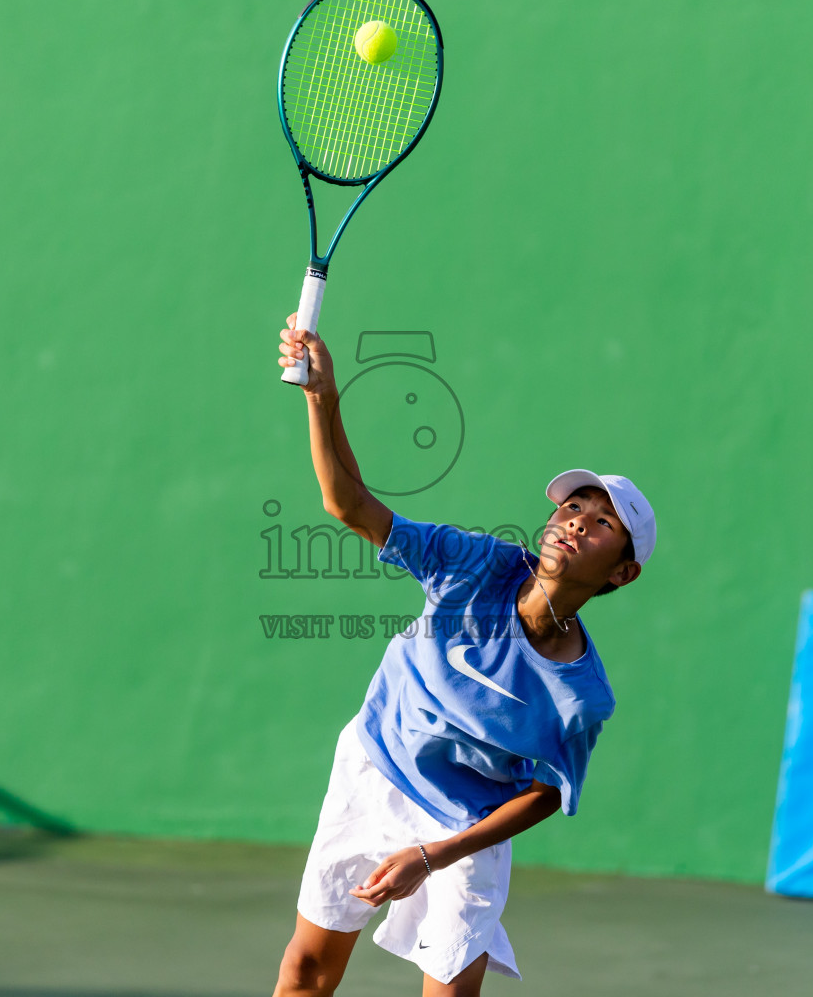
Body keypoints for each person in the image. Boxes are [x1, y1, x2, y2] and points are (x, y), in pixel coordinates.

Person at [271, 314, 656, 996]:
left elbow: (545, 791)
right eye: (573, 507)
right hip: (373, 767)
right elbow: (348, 503)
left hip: (461, 829)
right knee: (306, 971)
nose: (576, 522)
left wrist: (434, 855)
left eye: (602, 524)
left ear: (622, 574)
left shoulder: (580, 695)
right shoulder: (472, 564)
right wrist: (321, 397)